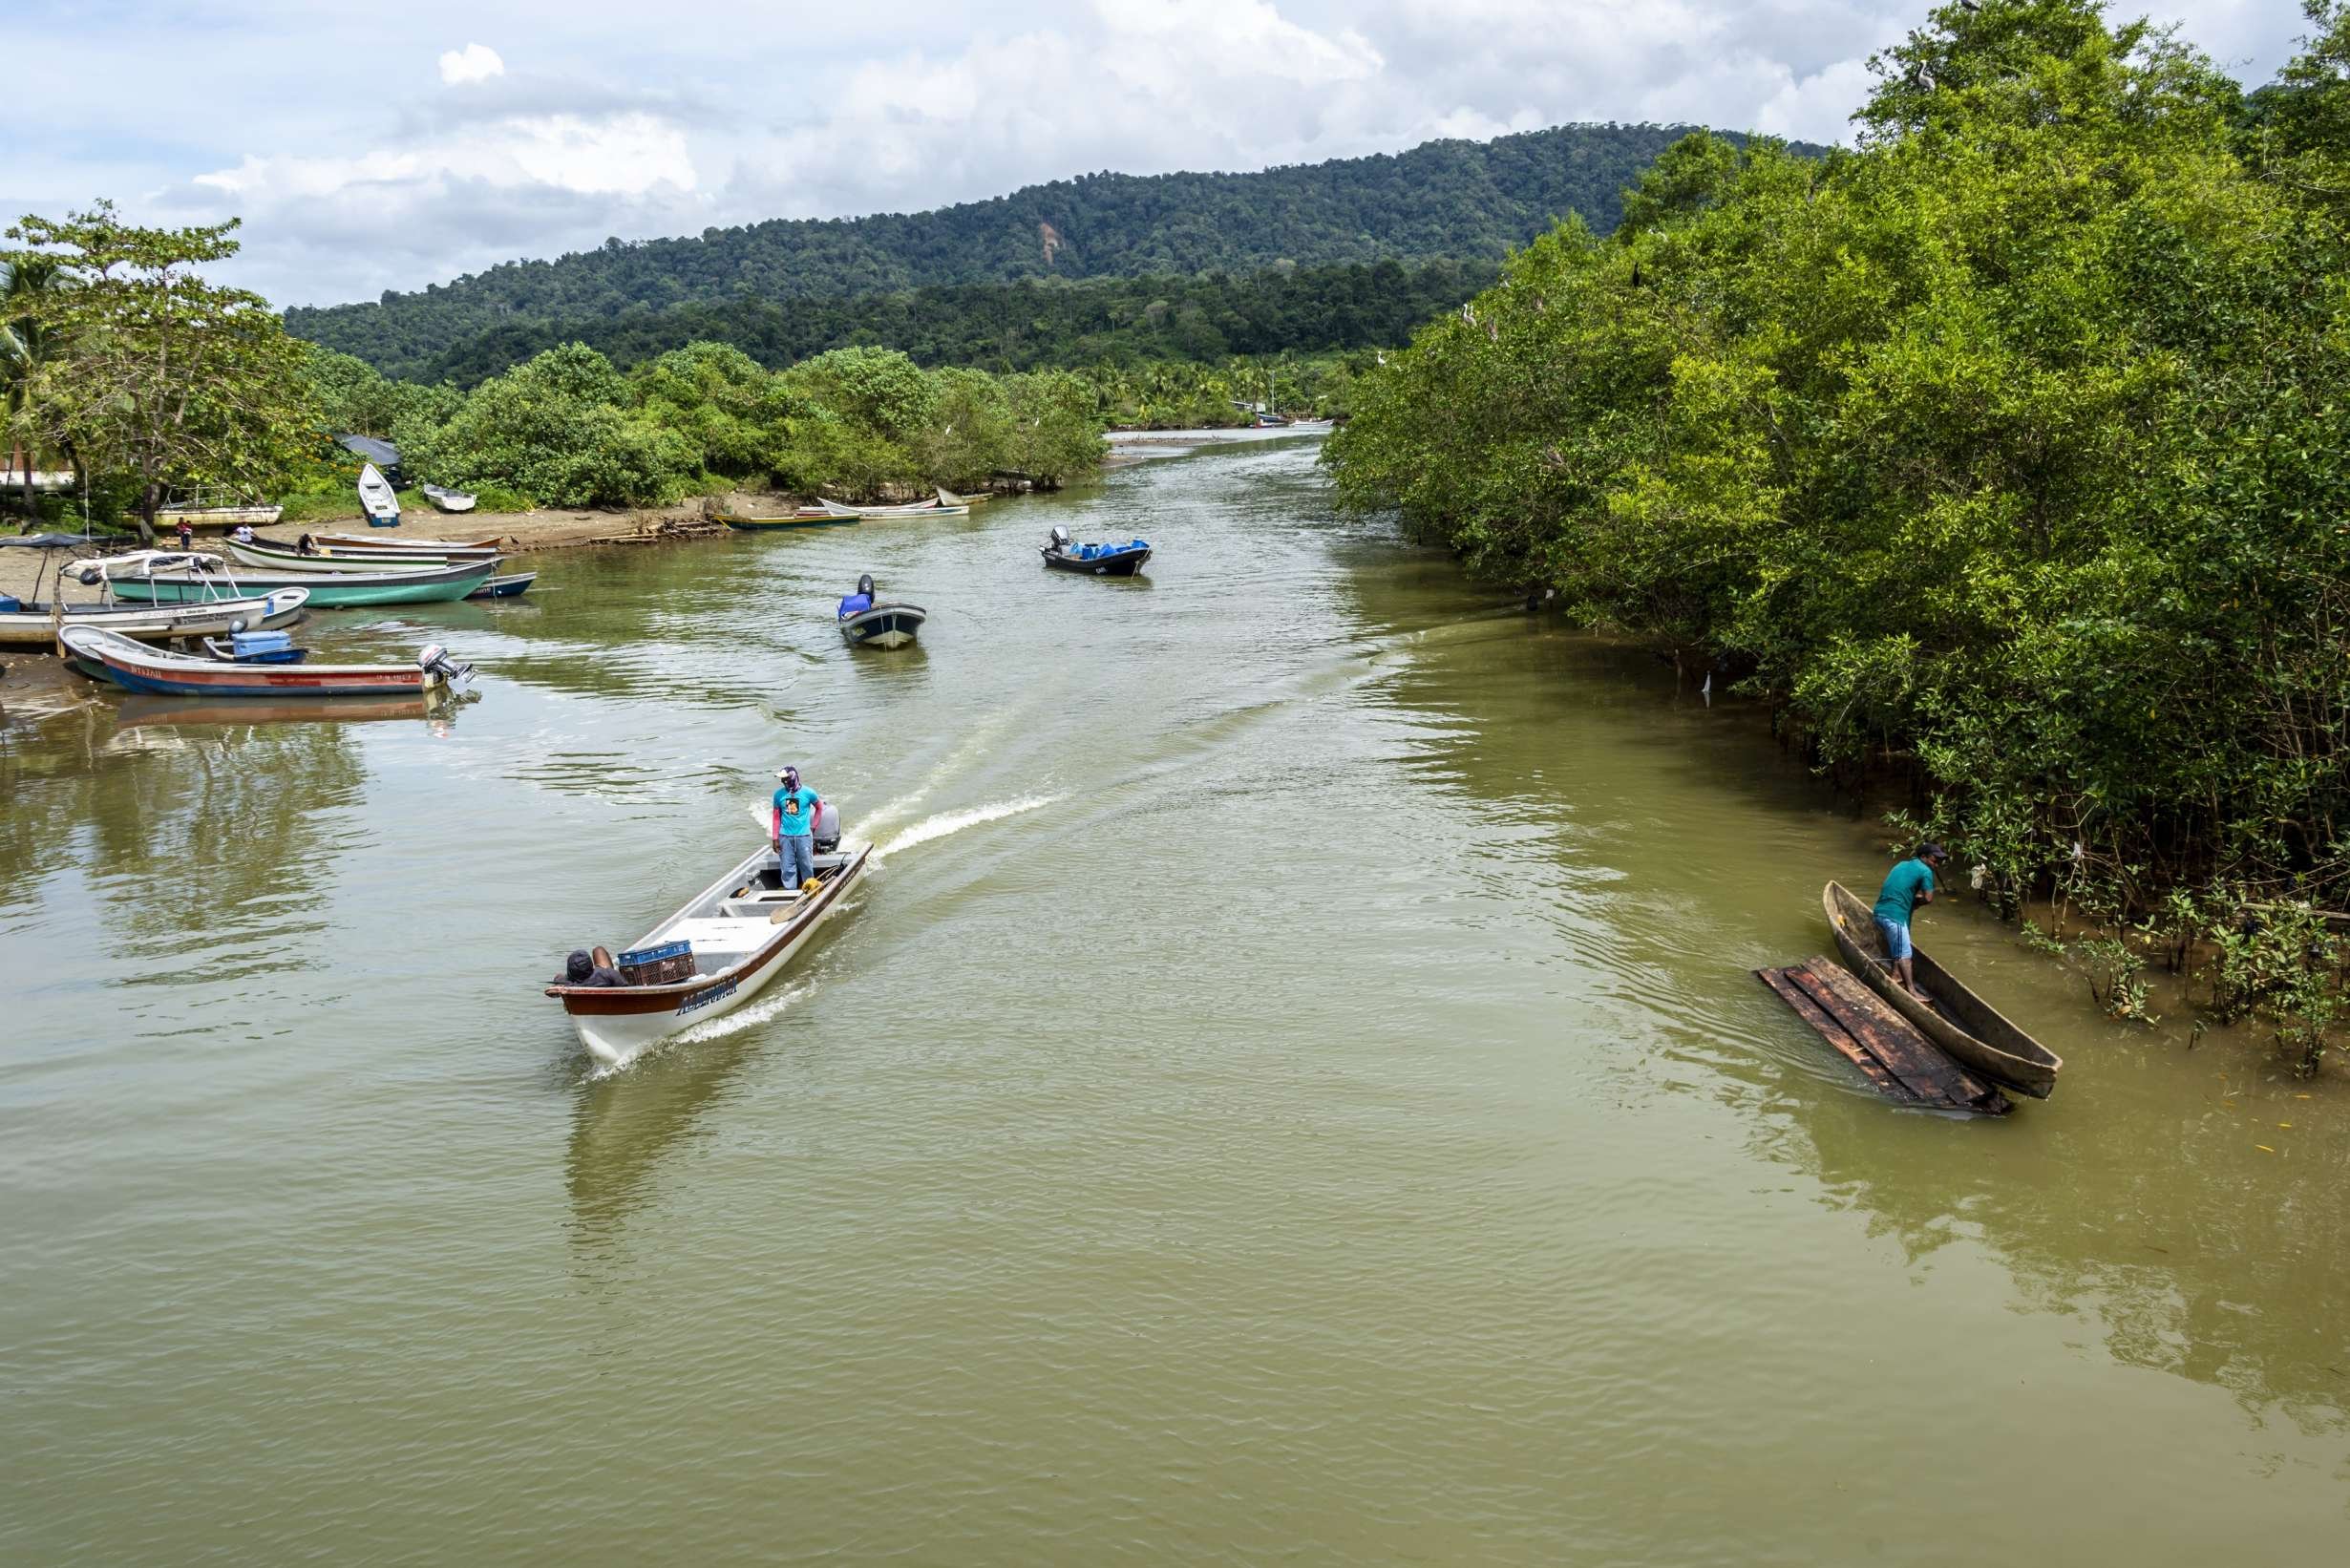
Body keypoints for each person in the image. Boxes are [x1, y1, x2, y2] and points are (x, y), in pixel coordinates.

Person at [1873, 842, 1949, 1000]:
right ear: (1923, 857)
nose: (1937, 864)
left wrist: (1911, 902)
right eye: (1935, 860)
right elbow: (1928, 898)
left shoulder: (1901, 864)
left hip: (1880, 912)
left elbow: (1895, 888)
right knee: (1905, 955)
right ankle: (1912, 991)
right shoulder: (1925, 870)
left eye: (1939, 862)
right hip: (1894, 917)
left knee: (1900, 945)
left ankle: (1896, 975)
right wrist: (1916, 902)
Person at [773, 765, 824, 891]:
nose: (783, 781)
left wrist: (813, 826)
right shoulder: (778, 795)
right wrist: (775, 838)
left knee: (806, 866)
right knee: (787, 868)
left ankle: (810, 891)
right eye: (782, 779)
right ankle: (790, 893)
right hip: (785, 837)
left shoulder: (808, 793)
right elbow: (776, 818)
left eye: (785, 779)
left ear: (793, 777)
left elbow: (819, 807)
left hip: (804, 836)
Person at [555, 949, 625, 986]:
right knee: (598, 950)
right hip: (604, 978)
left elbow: (558, 978)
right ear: (591, 965)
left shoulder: (567, 984)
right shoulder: (607, 973)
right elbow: (624, 986)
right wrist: (602, 969)